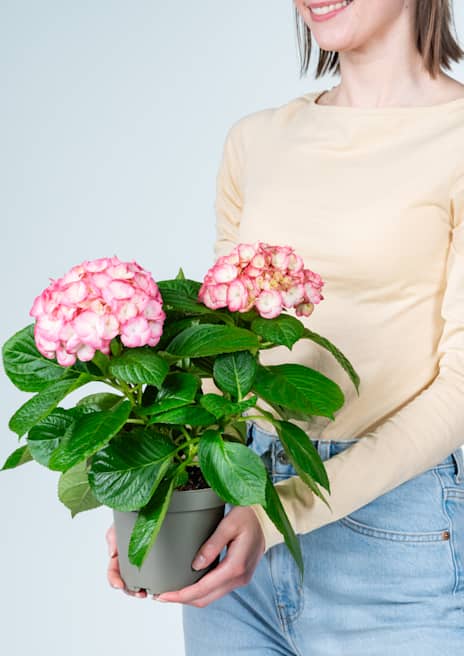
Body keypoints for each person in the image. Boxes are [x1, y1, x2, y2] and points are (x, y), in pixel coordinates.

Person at [106, 1, 464, 652]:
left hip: (393, 540)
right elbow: (221, 350)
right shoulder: (257, 140)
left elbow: (459, 393)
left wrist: (276, 516)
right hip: (234, 511)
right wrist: (158, 496)